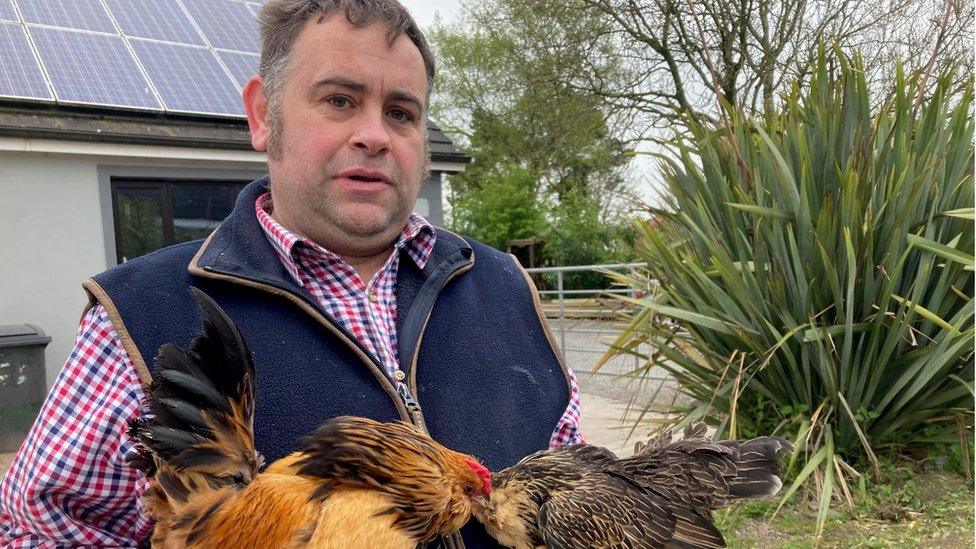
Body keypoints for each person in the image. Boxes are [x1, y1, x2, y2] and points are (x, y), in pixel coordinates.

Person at [0, 1, 583, 547]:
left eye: (402, 113)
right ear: (263, 116)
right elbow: (38, 532)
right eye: (339, 100)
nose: (375, 136)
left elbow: (572, 486)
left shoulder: (507, 288)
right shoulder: (139, 314)